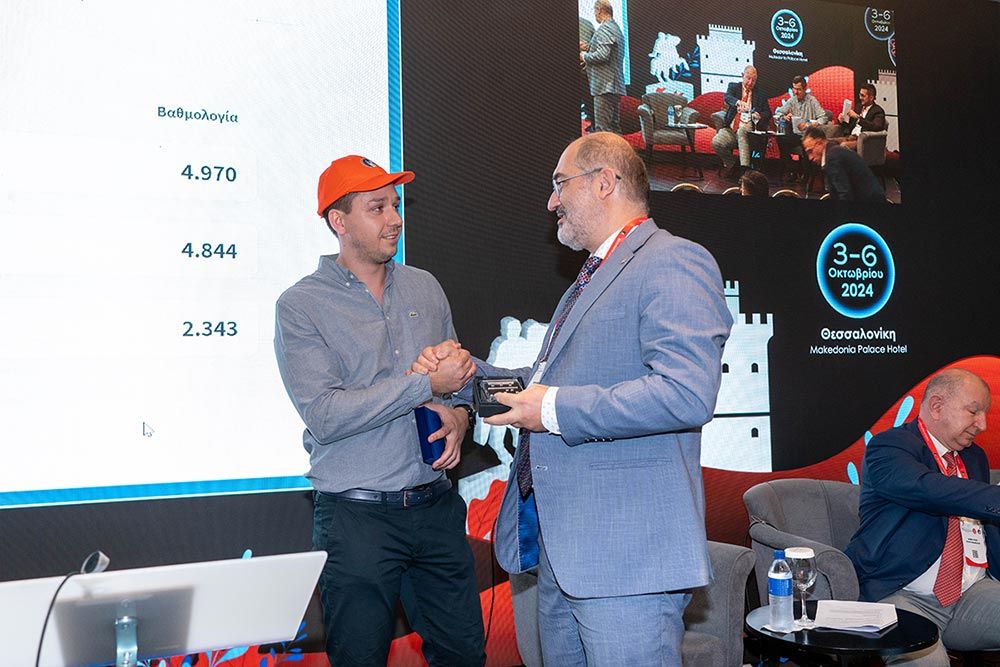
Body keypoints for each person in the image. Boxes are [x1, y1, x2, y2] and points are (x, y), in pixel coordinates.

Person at [415, 132, 733, 664]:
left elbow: (685, 393)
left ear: (605, 182)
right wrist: (464, 376)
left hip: (626, 564)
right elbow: (540, 386)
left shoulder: (673, 260)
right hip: (565, 559)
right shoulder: (589, 278)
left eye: (560, 184)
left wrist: (553, 410)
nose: (551, 202)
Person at [274, 155, 485, 666]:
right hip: (356, 519)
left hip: (435, 508)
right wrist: (422, 386)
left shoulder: (424, 286)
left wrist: (459, 417)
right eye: (377, 208)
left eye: (395, 204)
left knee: (464, 656)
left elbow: (459, 378)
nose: (395, 218)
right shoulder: (300, 305)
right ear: (339, 221)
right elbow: (326, 415)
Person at [845, 369, 1000, 665]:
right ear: (937, 406)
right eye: (974, 412)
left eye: (985, 414)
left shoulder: (974, 456)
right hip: (901, 594)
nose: (982, 425)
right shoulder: (888, 447)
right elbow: (928, 489)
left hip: (972, 591)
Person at [711, 65, 771, 179]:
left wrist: (759, 115)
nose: (750, 82)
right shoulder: (734, 87)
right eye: (748, 78)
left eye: (753, 80)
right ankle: (734, 165)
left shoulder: (760, 94)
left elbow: (768, 113)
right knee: (716, 142)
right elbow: (727, 97)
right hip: (731, 129)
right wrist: (738, 102)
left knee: (742, 131)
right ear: (742, 76)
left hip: (749, 131)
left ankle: (744, 173)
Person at [801, 126, 885, 202]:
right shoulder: (834, 151)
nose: (810, 157)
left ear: (820, 143)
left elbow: (844, 195)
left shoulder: (832, 158)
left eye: (810, 151)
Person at [580, 0, 625, 134]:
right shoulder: (614, 27)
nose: (594, 14)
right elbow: (609, 53)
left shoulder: (605, 28)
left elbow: (603, 55)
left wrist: (584, 56)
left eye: (594, 11)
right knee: (614, 129)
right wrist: (589, 47)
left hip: (605, 87)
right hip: (612, 86)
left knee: (603, 131)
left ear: (599, 10)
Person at [774, 75, 831, 182]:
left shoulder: (812, 101)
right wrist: (784, 116)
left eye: (799, 89)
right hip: (796, 135)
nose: (796, 92)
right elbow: (778, 112)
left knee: (806, 145)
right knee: (780, 139)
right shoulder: (792, 101)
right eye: (794, 89)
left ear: (805, 89)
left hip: (809, 136)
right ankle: (793, 169)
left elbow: (823, 117)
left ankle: (807, 176)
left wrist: (808, 124)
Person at [832, 83, 887, 151]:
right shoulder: (859, 107)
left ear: (871, 98)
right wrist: (842, 120)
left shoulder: (878, 110)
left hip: (863, 141)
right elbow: (849, 125)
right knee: (829, 143)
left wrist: (858, 118)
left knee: (843, 146)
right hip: (850, 137)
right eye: (860, 95)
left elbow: (876, 127)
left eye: (863, 96)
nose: (860, 98)